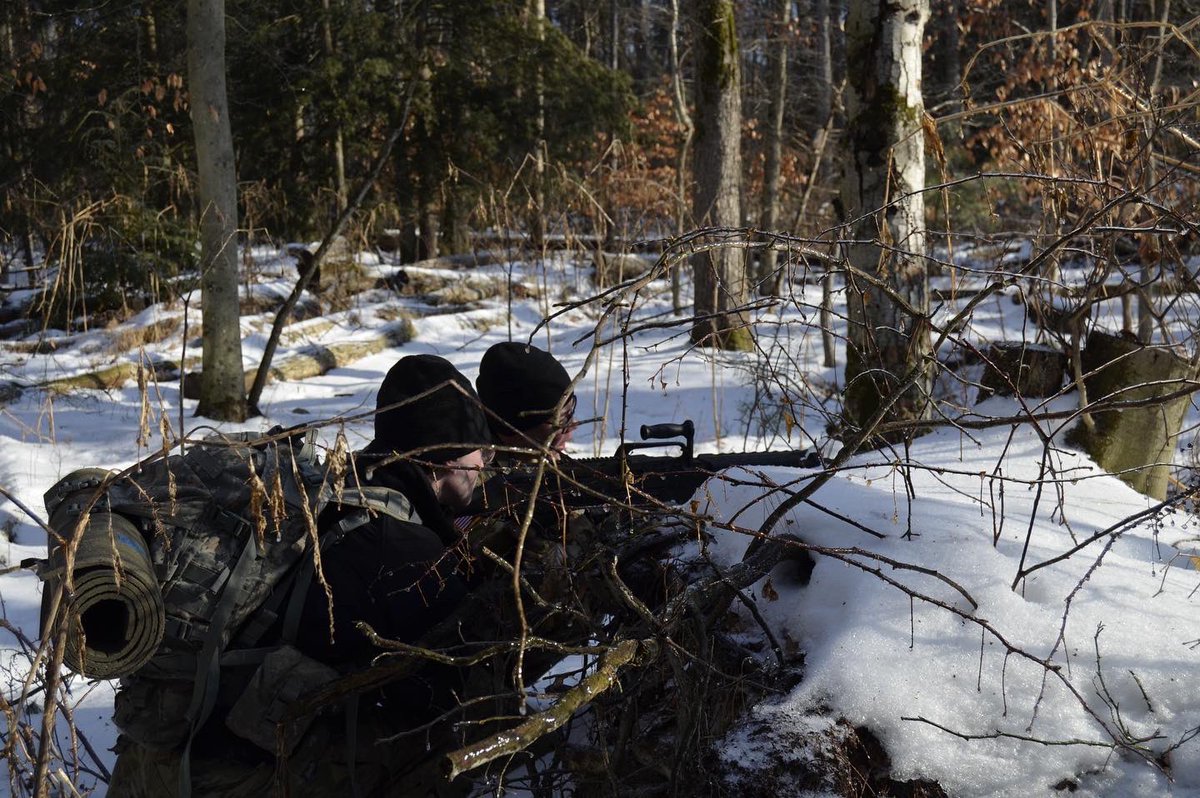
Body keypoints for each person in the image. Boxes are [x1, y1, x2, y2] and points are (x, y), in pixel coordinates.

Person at [108, 354, 495, 797]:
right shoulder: (402, 549)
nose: (484, 464)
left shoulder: (328, 489)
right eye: (480, 451)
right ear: (444, 458)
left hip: (152, 761)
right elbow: (458, 683)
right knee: (430, 747)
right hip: (228, 780)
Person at [474, 341, 577, 463]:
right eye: (561, 421)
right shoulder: (472, 469)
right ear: (514, 429)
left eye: (571, 412)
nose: (573, 426)